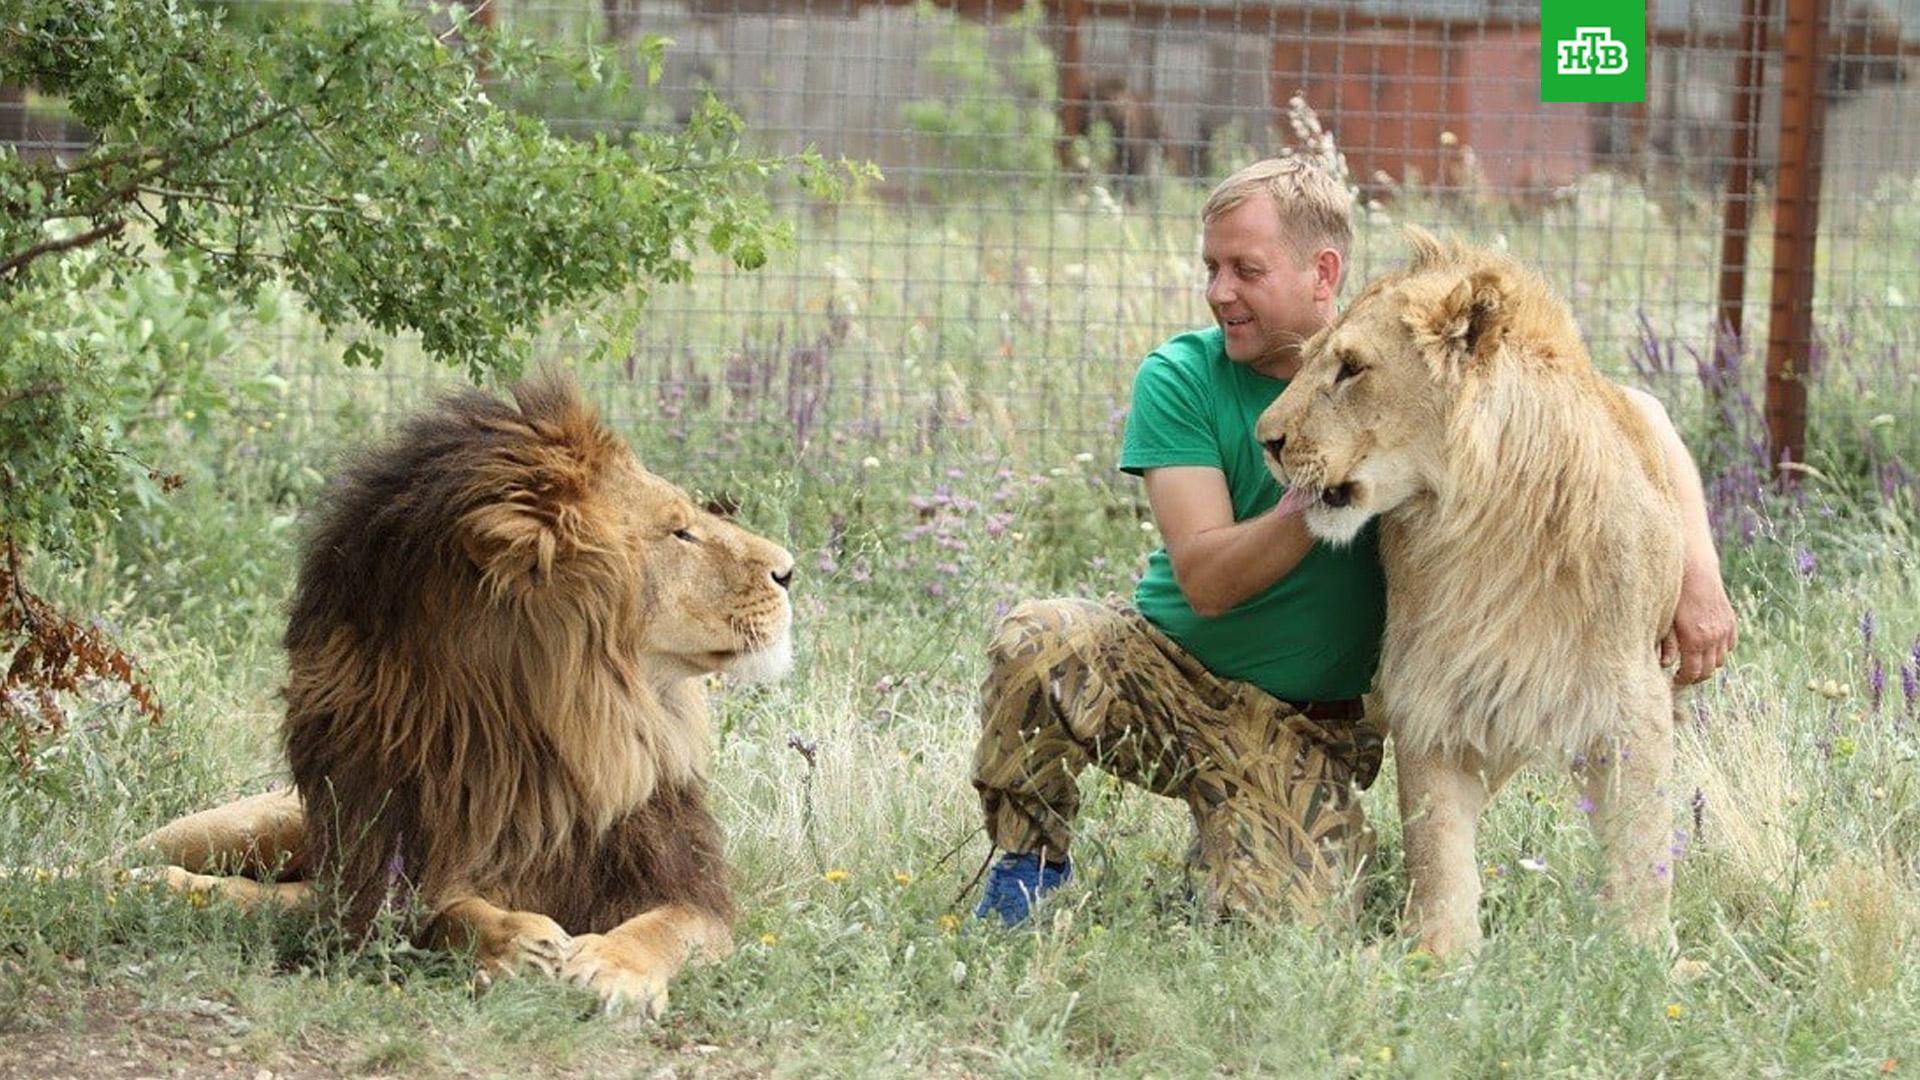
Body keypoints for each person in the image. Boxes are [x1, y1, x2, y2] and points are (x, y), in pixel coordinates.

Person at [970, 157, 1738, 926]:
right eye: (1211, 268)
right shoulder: (1181, 376)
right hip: (1168, 672)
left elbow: (1624, 408)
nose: (1219, 292)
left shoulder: (1399, 355)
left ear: (1323, 271)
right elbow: (1205, 578)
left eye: (1246, 270)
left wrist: (1698, 570)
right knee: (1041, 642)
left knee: (1288, 926)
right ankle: (1028, 867)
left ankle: (1240, 835)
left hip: (1299, 728)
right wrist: (1319, 486)